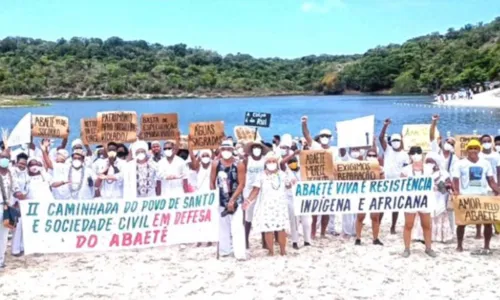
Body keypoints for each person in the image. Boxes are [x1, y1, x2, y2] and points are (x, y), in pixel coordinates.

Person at [453, 139, 500, 254]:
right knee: (462, 223)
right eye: (470, 148)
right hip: (466, 196)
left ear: (479, 150)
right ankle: (459, 245)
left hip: (482, 196)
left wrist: (497, 190)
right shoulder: (460, 163)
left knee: (487, 221)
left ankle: (487, 246)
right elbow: (455, 179)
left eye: (475, 148)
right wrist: (456, 192)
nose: (473, 150)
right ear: (467, 150)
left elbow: (491, 181)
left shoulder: (485, 163)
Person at [243, 152, 291, 256]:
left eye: (273, 161)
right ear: (265, 163)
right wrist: (248, 201)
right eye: (269, 161)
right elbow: (255, 190)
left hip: (280, 205)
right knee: (268, 229)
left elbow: (288, 186)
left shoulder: (282, 174)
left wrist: (292, 183)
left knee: (281, 228)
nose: (271, 163)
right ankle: (271, 251)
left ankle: (283, 250)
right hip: (266, 205)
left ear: (276, 163)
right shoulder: (261, 175)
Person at [301, 115, 339, 238]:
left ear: (330, 138)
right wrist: (304, 124)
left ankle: (323, 232)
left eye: (327, 136)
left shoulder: (335, 150)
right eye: (322, 136)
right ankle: (313, 232)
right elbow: (307, 136)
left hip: (330, 183)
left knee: (327, 210)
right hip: (316, 182)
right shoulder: (315, 147)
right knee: (315, 210)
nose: (324, 138)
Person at [211, 140, 246, 259]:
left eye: (229, 149)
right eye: (224, 149)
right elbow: (212, 182)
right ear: (220, 150)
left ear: (232, 150)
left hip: (236, 199)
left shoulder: (239, 164)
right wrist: (212, 198)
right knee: (223, 227)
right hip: (221, 199)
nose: (226, 151)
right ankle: (224, 251)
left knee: (237, 227)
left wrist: (232, 200)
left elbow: (241, 184)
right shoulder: (216, 164)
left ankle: (239, 253)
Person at [400, 146, 437, 258]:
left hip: (425, 200)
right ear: (410, 155)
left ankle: (428, 248)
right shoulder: (405, 170)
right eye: (413, 153)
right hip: (410, 200)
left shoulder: (428, 169)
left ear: (422, 154)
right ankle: (406, 248)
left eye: (418, 153)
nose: (416, 155)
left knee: (426, 225)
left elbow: (433, 182)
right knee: (408, 224)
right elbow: (400, 185)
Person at [412, 152, 454, 244]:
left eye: (432, 162)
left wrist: (442, 186)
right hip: (425, 199)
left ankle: (438, 236)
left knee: (438, 215)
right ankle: (421, 236)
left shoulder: (444, 173)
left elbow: (450, 186)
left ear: (437, 162)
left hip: (439, 199)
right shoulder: (422, 173)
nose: (429, 164)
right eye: (428, 161)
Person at [379, 118, 409, 234]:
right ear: (391, 141)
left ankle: (393, 227)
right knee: (382, 204)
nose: (396, 142)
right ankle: (379, 224)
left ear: (401, 141)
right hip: (386, 181)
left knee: (395, 206)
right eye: (394, 140)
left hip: (397, 183)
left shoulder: (405, 155)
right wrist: (385, 126)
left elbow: (406, 169)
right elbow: (381, 138)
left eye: (398, 140)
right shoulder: (388, 150)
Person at [355, 148, 384, 246]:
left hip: (375, 194)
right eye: (369, 155)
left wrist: (380, 172)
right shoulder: (361, 167)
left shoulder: (380, 168)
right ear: (366, 157)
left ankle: (375, 238)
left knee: (375, 217)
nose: (371, 157)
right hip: (363, 194)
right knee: (360, 216)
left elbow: (383, 182)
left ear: (377, 157)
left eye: (374, 155)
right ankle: (358, 238)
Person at [242, 140, 266, 249]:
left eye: (259, 147)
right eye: (255, 147)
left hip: (262, 190)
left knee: (263, 215)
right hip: (248, 190)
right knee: (248, 217)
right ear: (251, 150)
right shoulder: (247, 160)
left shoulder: (265, 161)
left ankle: (264, 240)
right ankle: (246, 239)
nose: (257, 149)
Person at [1, 150, 23, 264]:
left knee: (4, 235)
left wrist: (21, 196)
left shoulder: (11, 173)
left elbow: (15, 189)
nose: (3, 159)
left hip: (7, 207)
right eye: (1, 157)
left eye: (6, 157)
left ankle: (1, 260)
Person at [286, 156, 312, 249]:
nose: (292, 163)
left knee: (307, 221)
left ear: (297, 162)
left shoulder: (304, 170)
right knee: (294, 222)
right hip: (292, 199)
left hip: (304, 198)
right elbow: (286, 186)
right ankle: (295, 241)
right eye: (290, 162)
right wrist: (289, 184)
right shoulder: (286, 172)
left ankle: (307, 241)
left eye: (294, 161)